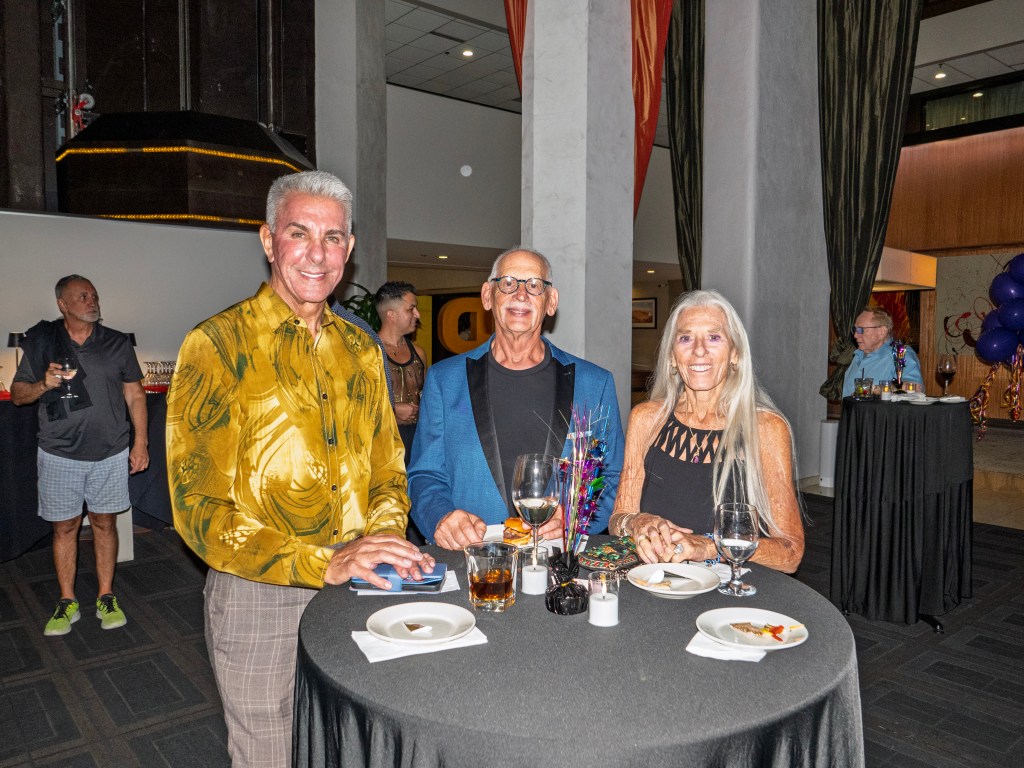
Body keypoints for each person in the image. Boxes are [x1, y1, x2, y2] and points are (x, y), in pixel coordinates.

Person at [166, 170, 433, 768]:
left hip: (361, 583)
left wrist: (381, 539)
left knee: (353, 746)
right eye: (298, 233)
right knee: (270, 753)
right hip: (260, 594)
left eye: (333, 237)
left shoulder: (359, 349)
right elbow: (199, 511)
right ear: (268, 240)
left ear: (349, 248)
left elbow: (388, 467)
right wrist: (324, 563)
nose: (317, 253)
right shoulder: (217, 344)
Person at [407, 246, 624, 549]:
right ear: (487, 295)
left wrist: (576, 515)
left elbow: (609, 475)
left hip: (558, 561)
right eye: (508, 283)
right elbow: (425, 474)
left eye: (534, 285)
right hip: (474, 557)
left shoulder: (594, 384)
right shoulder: (445, 380)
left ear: (551, 302)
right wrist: (440, 517)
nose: (521, 295)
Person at [608, 289, 804, 573]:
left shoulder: (766, 428)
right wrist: (638, 522)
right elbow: (618, 519)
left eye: (714, 337)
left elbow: (791, 553)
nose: (699, 350)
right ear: (672, 356)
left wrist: (710, 547)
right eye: (685, 338)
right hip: (656, 582)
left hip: (733, 590)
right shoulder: (647, 419)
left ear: (735, 354)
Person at [11, 275, 148, 635]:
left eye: (94, 296)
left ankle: (106, 595)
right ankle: (67, 600)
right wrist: (43, 384)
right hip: (59, 454)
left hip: (110, 452)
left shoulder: (117, 342)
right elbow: (19, 395)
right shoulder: (43, 342)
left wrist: (141, 443)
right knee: (65, 528)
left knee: (104, 524)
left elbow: (135, 394)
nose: (92, 301)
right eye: (83, 296)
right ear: (63, 304)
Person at [375, 281, 427, 462]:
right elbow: (353, 403)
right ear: (391, 315)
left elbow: (427, 398)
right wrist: (393, 410)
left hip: (418, 444)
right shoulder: (368, 352)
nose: (417, 314)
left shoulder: (419, 353)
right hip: (383, 448)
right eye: (411, 309)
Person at [841, 305, 923, 397]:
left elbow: (915, 389)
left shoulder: (900, 354)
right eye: (855, 329)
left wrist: (876, 389)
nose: (855, 335)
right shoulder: (858, 355)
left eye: (861, 330)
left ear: (882, 331)